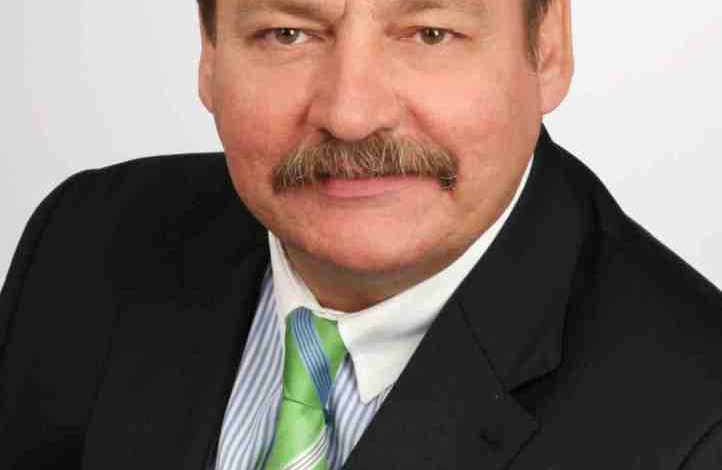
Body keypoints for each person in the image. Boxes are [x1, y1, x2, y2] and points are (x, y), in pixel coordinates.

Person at [1, 0, 721, 468]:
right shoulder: (84, 242)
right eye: (288, 34)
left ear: (548, 48)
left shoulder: (698, 428)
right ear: (211, 56)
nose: (350, 114)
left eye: (429, 34)